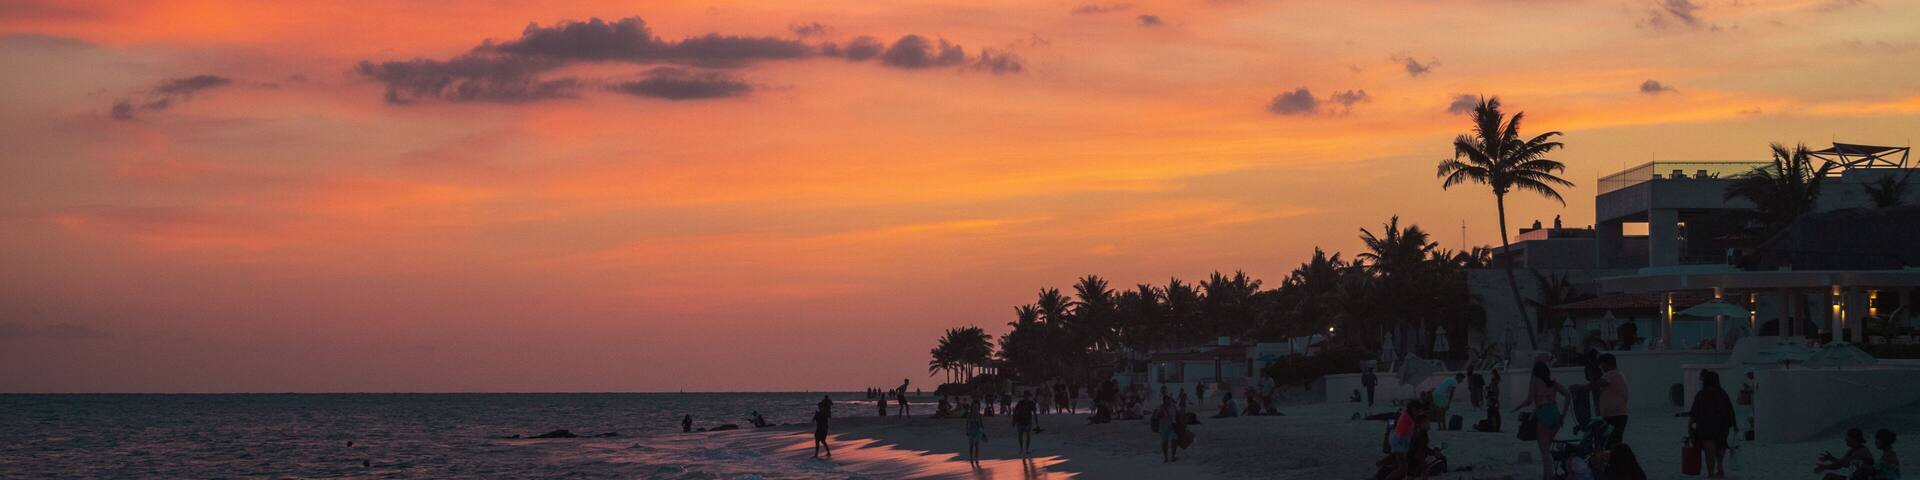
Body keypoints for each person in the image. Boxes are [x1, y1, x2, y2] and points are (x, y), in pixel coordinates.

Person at [1514, 361, 1571, 480]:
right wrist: (1563, 415)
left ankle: (1548, 477)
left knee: (1544, 450)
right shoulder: (1553, 384)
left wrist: (1517, 408)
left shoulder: (1534, 382)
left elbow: (1529, 400)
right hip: (1555, 413)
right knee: (1547, 448)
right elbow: (1567, 395)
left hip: (1543, 413)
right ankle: (1547, 475)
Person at [1689, 370, 1737, 479]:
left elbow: (1694, 412)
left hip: (1706, 427)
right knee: (1721, 445)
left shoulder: (1701, 394)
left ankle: (1711, 472)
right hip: (1722, 425)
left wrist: (1690, 426)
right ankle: (1720, 466)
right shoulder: (1722, 393)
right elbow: (1730, 409)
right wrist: (1734, 424)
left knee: (1709, 450)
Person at [1593, 354, 1629, 448]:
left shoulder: (1610, 374)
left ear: (1605, 364)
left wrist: (1580, 388)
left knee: (1610, 443)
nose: (1601, 368)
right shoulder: (1618, 374)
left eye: (1601, 365)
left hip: (1613, 415)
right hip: (1619, 414)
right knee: (1615, 442)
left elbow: (1598, 383)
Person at [1013, 391, 1038, 456]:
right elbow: (1015, 412)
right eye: (1025, 396)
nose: (1026, 397)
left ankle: (1027, 449)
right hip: (1020, 421)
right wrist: (1014, 421)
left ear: (1029, 397)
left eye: (1027, 396)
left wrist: (1037, 423)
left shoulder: (1031, 403)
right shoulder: (1020, 403)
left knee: (1028, 435)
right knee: (1020, 436)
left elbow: (1035, 413)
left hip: (1028, 421)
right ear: (1024, 397)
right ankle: (1021, 448)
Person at [1155, 395, 1179, 462]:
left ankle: (1173, 456)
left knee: (1174, 440)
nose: (1168, 401)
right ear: (1164, 401)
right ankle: (1165, 457)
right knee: (1165, 442)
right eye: (1166, 400)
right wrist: (1162, 410)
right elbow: (1158, 416)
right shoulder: (1161, 407)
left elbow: (1178, 413)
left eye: (1169, 400)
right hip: (1163, 426)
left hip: (1173, 426)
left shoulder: (1174, 406)